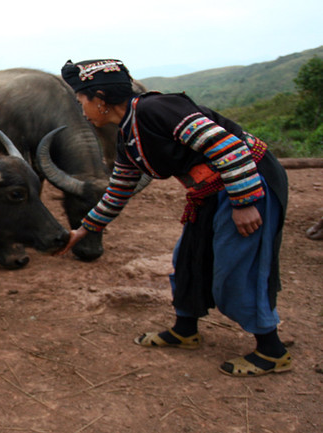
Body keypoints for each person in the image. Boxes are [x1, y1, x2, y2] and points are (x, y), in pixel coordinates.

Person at [59, 59, 291, 377]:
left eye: (80, 101)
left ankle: (271, 350)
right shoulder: (127, 135)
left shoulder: (156, 109)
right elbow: (118, 190)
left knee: (238, 267)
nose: (81, 110)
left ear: (99, 98)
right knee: (188, 261)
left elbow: (228, 147)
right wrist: (83, 230)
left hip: (247, 181)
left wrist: (244, 202)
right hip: (207, 193)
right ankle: (185, 331)